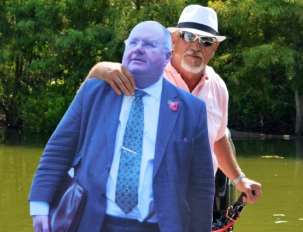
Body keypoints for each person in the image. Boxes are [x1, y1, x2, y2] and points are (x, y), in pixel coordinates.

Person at [29, 21, 214, 232]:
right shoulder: (94, 92)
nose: (138, 48)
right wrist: (40, 205)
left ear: (167, 57)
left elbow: (201, 185)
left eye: (149, 44)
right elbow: (58, 150)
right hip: (91, 222)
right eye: (133, 42)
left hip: (158, 226)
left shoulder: (190, 110)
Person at [87, 4, 262, 203]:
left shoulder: (218, 88)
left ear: (215, 48)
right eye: (188, 36)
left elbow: (217, 138)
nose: (196, 46)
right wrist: (99, 69)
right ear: (174, 39)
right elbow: (86, 110)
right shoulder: (144, 74)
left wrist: (239, 179)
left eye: (205, 41)